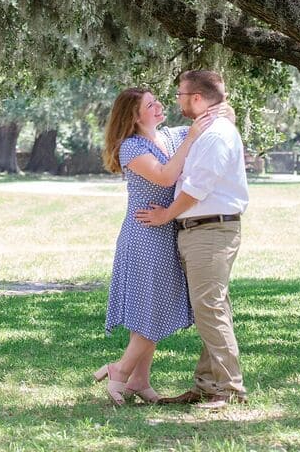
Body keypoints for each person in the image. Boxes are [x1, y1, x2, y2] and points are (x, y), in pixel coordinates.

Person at [136, 69, 249, 409]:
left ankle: (229, 389)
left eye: (181, 95)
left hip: (211, 230)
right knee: (210, 308)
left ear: (197, 99)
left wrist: (165, 215)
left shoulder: (216, 136)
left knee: (210, 308)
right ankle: (207, 384)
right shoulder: (204, 130)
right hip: (198, 231)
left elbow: (196, 189)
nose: (177, 101)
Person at [96, 87, 216, 405]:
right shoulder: (131, 147)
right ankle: (120, 371)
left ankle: (139, 381)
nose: (159, 105)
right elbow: (164, 176)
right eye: (151, 104)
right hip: (145, 234)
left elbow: (208, 120)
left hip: (166, 231)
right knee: (153, 308)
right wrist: (190, 138)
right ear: (135, 116)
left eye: (157, 100)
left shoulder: (169, 137)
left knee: (154, 307)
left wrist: (218, 107)